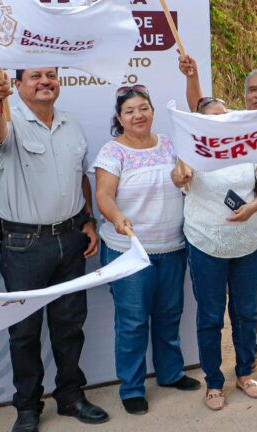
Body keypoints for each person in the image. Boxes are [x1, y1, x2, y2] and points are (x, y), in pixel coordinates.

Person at [0, 68, 108, 431]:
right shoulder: (8, 118)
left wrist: (88, 219)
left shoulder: (72, 123)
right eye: (35, 76)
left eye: (51, 75)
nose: (45, 81)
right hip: (24, 245)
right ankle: (27, 407)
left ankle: (70, 396)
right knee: (24, 332)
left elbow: (79, 175)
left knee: (70, 326)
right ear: (18, 85)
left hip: (70, 240)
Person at [178, 56, 257, 368]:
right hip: (242, 226)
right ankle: (255, 344)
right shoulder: (233, 123)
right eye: (253, 90)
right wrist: (192, 76)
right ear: (245, 94)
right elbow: (200, 108)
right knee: (248, 292)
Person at [93, 85, 195, 415]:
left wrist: (183, 179)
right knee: (133, 321)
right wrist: (117, 217)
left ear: (152, 111)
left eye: (144, 108)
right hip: (129, 251)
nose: (138, 115)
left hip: (172, 247)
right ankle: (133, 387)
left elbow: (183, 180)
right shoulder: (112, 151)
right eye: (130, 111)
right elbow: (104, 196)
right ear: (119, 118)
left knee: (169, 315)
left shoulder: (169, 144)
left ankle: (170, 373)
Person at [170, 96, 257, 411]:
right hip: (206, 245)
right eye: (213, 117)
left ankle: (244, 372)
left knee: (245, 312)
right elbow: (179, 178)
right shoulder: (191, 152)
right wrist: (183, 169)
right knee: (211, 316)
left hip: (247, 242)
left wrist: (251, 208)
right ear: (201, 122)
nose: (221, 120)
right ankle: (213, 381)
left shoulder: (246, 148)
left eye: (225, 114)